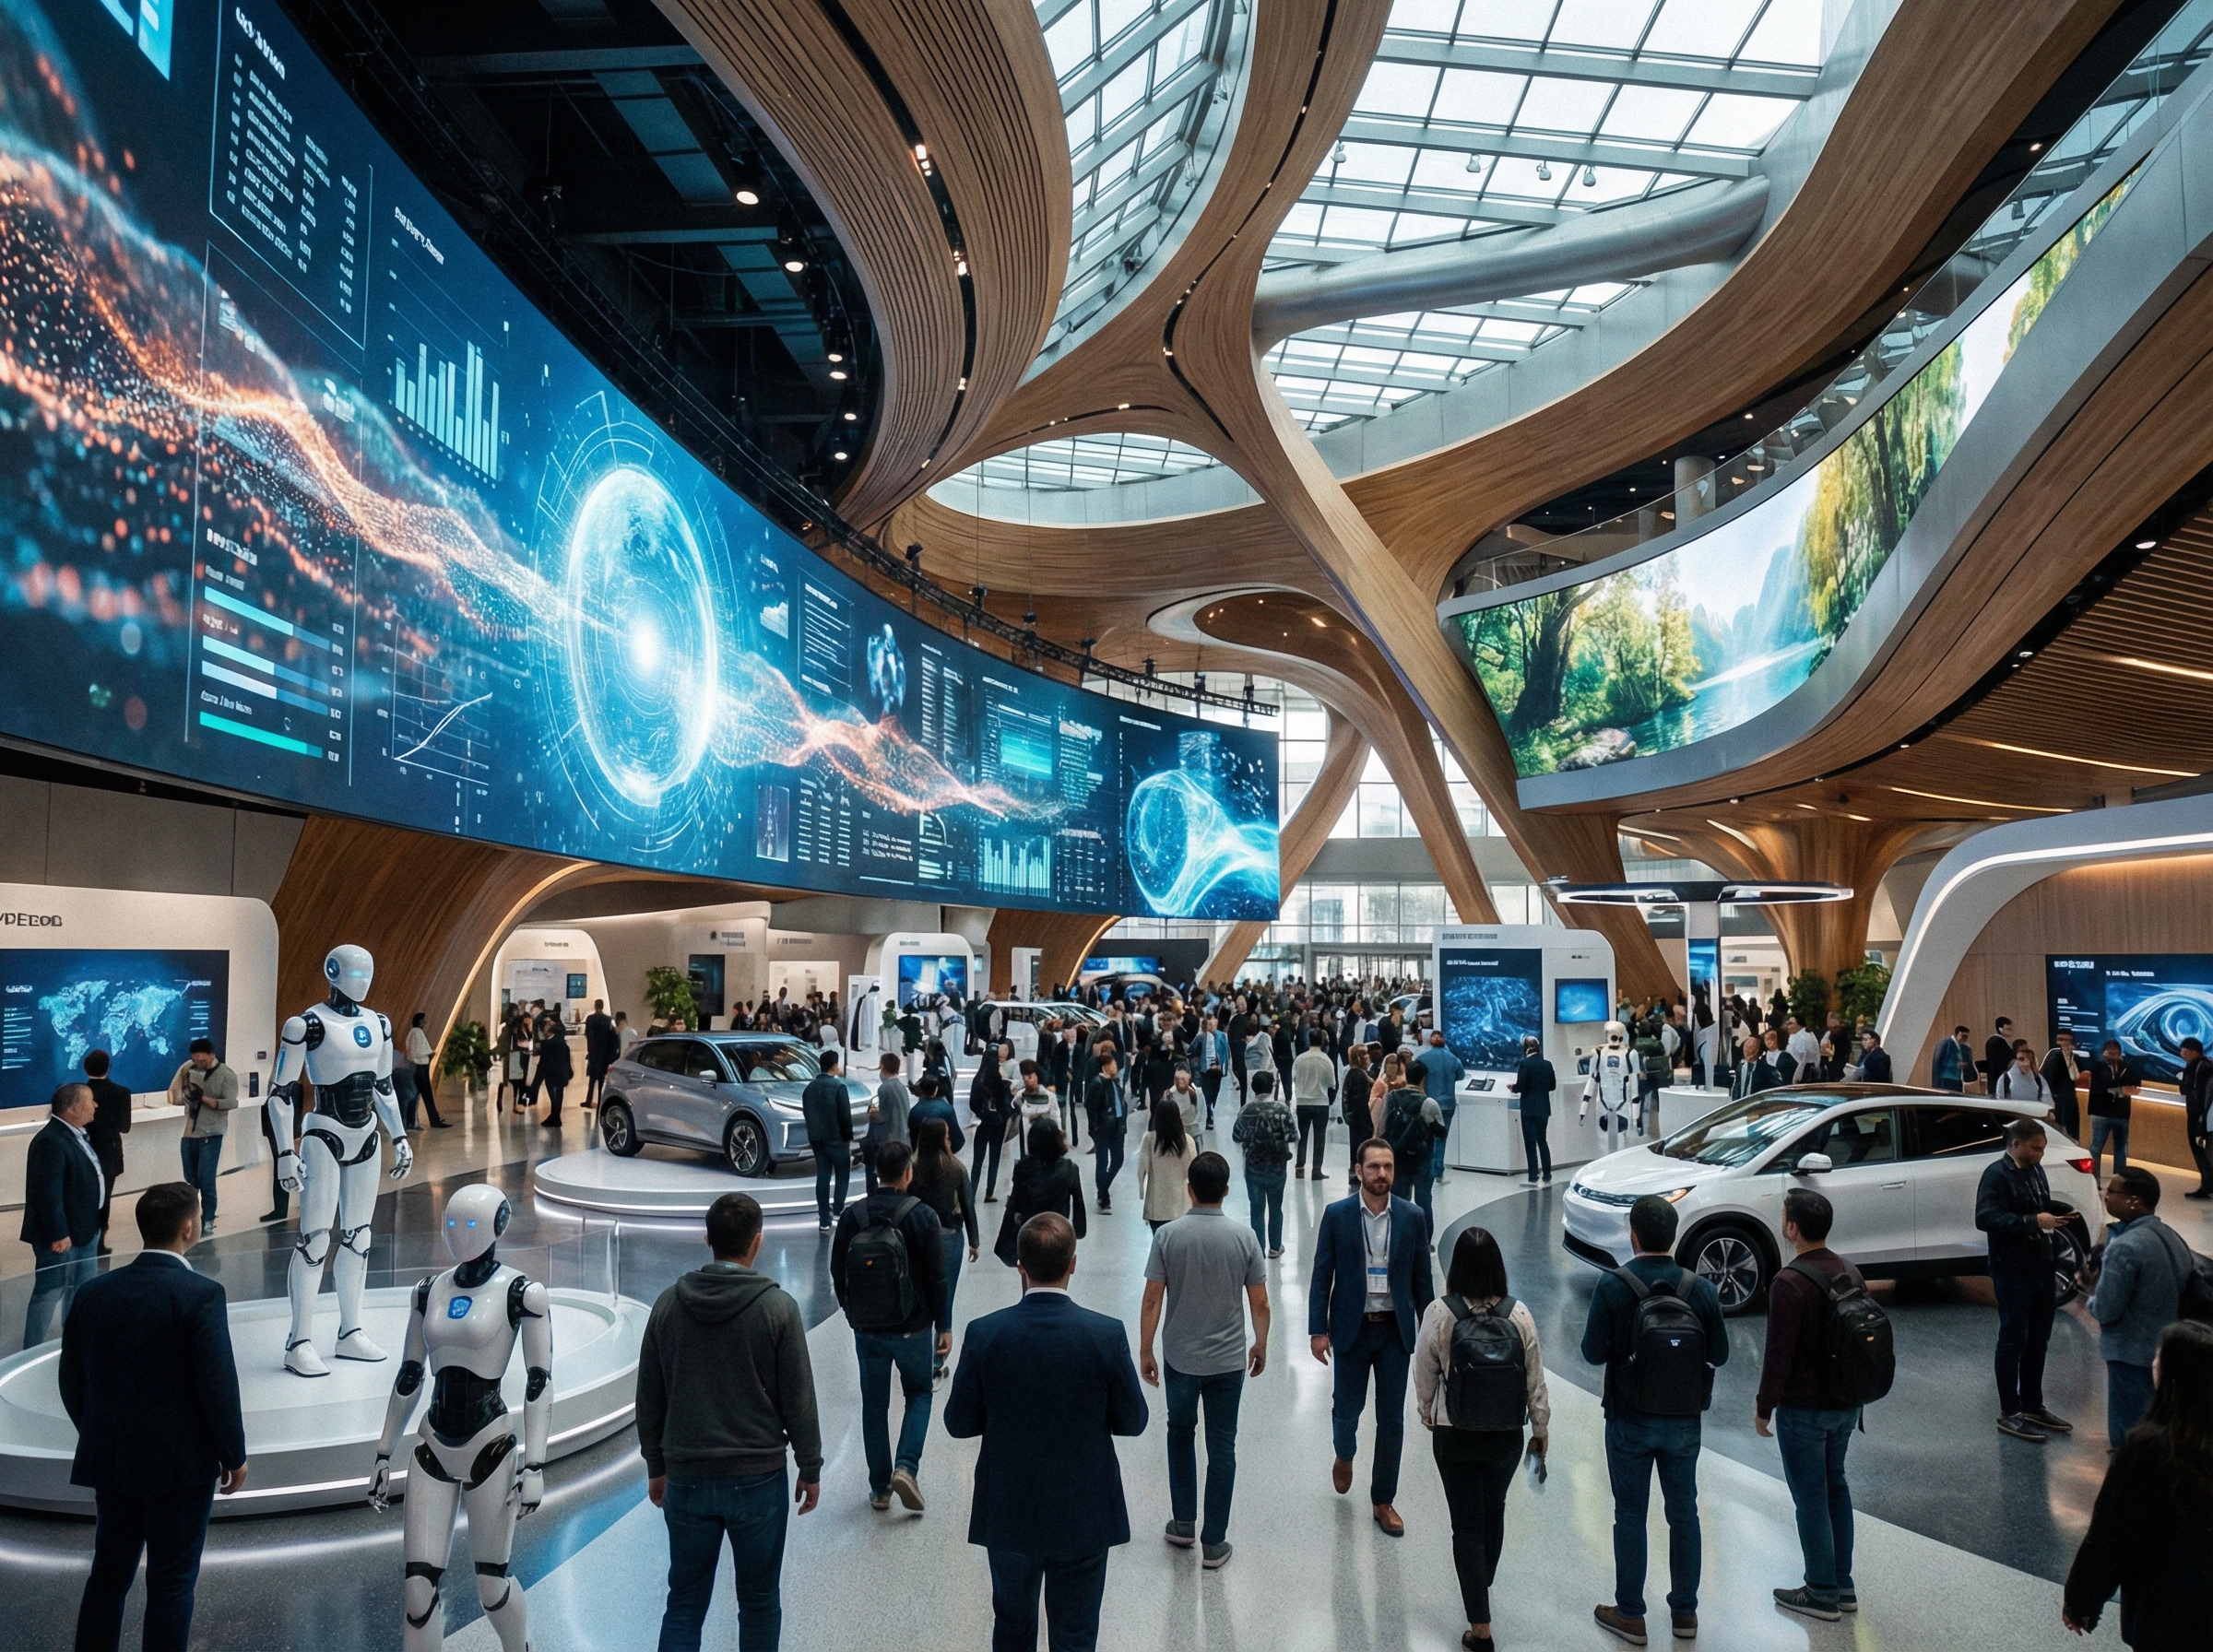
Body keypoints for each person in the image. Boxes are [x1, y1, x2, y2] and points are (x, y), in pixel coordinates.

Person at [945, 1213, 1147, 1652]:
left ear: (1020, 1265)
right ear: (1073, 1264)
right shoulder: (1105, 1334)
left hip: (1009, 1509)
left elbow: (958, 1423)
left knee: (1013, 1627)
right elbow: (1134, 1422)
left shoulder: (985, 1333)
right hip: (1084, 1511)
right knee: (1075, 1634)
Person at [61, 1183, 247, 1652]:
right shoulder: (200, 1295)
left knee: (108, 1575)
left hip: (115, 1461)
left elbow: (71, 1381)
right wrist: (233, 1453)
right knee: (171, 1583)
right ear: (189, 1228)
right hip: (180, 1470)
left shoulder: (93, 1292)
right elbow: (216, 1385)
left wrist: (102, 1431)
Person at [638, 1192, 821, 1652]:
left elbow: (649, 1398)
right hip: (757, 1478)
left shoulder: (667, 1305)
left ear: (707, 1239)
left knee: (684, 1603)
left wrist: (655, 1465)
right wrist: (810, 1466)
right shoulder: (778, 1309)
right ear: (757, 1242)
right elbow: (798, 1398)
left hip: (687, 1476)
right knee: (759, 1601)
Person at [1582, 1193, 1730, 1645]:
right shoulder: (1699, 1288)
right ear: (1673, 1235)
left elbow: (1590, 1353)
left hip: (1629, 1417)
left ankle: (1631, 1613)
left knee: (1630, 1513)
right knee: (1684, 1511)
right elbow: (1720, 1355)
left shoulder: (1613, 1285)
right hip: (1684, 1421)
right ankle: (1685, 1614)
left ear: (1633, 1235)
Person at [1414, 1225, 1549, 1646]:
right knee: (1494, 1511)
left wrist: (1427, 1412)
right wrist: (1540, 1430)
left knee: (1466, 1526)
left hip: (1455, 1432)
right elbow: (1535, 1381)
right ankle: (1481, 1586)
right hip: (1506, 1434)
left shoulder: (1440, 1311)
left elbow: (1425, 1373)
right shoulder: (1519, 1313)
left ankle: (1481, 1626)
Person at [1139, 1150, 1269, 1569]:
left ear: (1189, 1189)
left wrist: (1145, 1349)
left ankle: (1182, 1522)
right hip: (1228, 1361)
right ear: (1227, 1191)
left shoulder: (1168, 1237)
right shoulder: (1244, 1237)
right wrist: (1260, 1343)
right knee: (1222, 1446)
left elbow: (1152, 1299)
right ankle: (1214, 1542)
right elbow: (1260, 1302)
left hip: (1180, 1357)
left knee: (1179, 1432)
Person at [1309, 1138, 1435, 1539]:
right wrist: (1317, 1329)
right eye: (1374, 1166)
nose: (1382, 1174)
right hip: (1352, 1328)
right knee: (1346, 1409)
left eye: (1389, 1166)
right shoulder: (1338, 1214)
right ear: (1358, 1170)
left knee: (1391, 1419)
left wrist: (1431, 1332)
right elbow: (1321, 1275)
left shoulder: (1413, 1216)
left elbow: (1421, 1281)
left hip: (1394, 1332)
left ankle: (1383, 1499)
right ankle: (1344, 1453)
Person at [2064, 1321, 2213, 1650]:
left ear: (2176, 1376)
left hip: (2164, 1610)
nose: (2153, 1362)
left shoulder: (2148, 1449)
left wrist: (2082, 1600)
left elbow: (2113, 1534)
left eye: (2160, 1357)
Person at [1756, 1187, 1864, 1622]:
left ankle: (1820, 1591)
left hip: (1804, 1409)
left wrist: (1765, 1407)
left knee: (1810, 1497)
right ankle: (1843, 1584)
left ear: (1792, 1227)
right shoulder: (1849, 1270)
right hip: (1846, 1404)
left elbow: (1778, 1354)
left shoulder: (1789, 1282)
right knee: (1836, 1487)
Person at [831, 1141, 952, 1512]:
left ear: (876, 1173)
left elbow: (838, 1271)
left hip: (868, 1329)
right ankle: (906, 1467)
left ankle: (881, 1487)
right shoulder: (922, 1216)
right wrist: (943, 1325)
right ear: (908, 1173)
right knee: (919, 1393)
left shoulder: (854, 1216)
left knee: (874, 1404)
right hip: (913, 1328)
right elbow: (936, 1276)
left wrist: (854, 1314)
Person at [1977, 1116, 2074, 1442]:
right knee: (2013, 1339)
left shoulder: (2035, 1170)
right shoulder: (1996, 1174)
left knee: (2038, 1340)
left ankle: (2033, 1404)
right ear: (2015, 1144)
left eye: (2043, 1149)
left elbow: (2038, 1205)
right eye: (2036, 1148)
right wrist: (2034, 1221)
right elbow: (1986, 1217)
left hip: (2041, 1268)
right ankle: (2010, 1410)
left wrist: (2057, 1212)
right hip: (2012, 1271)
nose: (2041, 1154)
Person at [2084, 1166, 2189, 1449]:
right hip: (2163, 1345)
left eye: (2113, 1191)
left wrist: (2089, 1297)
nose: (2106, 1197)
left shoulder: (2125, 1247)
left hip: (2130, 1350)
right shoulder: (2170, 1236)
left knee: (2128, 1425)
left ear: (2135, 1201)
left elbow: (2106, 1309)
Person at [22, 1082, 104, 1348]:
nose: (95, 1106)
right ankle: (31, 1349)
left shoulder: (74, 1134)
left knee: (80, 1291)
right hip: (62, 1237)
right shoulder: (51, 1141)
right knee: (50, 1291)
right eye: (90, 1101)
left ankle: (73, 1342)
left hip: (85, 1230)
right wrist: (59, 1233)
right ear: (71, 1107)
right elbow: (47, 1193)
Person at [911, 1118, 978, 1380]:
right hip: (950, 1238)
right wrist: (974, 1240)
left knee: (920, 1294)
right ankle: (937, 1361)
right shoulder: (956, 1168)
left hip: (917, 1239)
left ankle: (916, 1355)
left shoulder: (912, 1168)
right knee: (944, 1296)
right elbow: (968, 1206)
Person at [166, 1041, 237, 1233]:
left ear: (212, 1055)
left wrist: (204, 1098)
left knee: (206, 1179)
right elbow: (174, 1094)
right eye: (195, 1058)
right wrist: (187, 1096)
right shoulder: (187, 1068)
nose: (198, 1062)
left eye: (202, 1059)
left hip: (212, 1132)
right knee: (191, 1179)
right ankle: (191, 1217)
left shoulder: (226, 1074)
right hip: (190, 1131)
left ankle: (208, 1218)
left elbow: (231, 1102)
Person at [999, 1119, 1086, 1268]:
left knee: (1028, 1277)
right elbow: (1078, 1203)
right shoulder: (1070, 1169)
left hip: (1029, 1233)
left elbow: (1015, 1203)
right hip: (1057, 1234)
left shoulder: (1022, 1168)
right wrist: (1078, 1231)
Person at [1230, 1070, 1295, 1257]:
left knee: (1256, 1210)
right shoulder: (1282, 1109)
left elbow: (1236, 1136)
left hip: (1253, 1169)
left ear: (1253, 1087)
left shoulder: (1246, 1110)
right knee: (1276, 1208)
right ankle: (1275, 1247)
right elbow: (1293, 1135)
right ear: (1272, 1087)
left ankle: (1258, 1250)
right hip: (1277, 1169)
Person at [1378, 1058, 1446, 1228]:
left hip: (1397, 1158)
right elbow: (1441, 1132)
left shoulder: (1390, 1098)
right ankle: (1425, 1242)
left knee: (1399, 1202)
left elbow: (1382, 1127)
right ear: (1423, 1078)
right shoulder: (1428, 1103)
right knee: (1423, 1202)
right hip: (1422, 1159)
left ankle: (1398, 1236)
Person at [81, 1050, 131, 1257]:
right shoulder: (121, 1092)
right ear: (108, 1067)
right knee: (104, 1197)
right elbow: (125, 1127)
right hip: (108, 1152)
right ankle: (100, 1243)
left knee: (82, 1196)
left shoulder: (77, 1092)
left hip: (82, 1150)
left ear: (85, 1068)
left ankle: (83, 1240)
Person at [802, 1050, 855, 1233]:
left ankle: (824, 1219)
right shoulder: (839, 1088)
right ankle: (838, 1212)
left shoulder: (809, 1088)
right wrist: (848, 1136)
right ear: (834, 1065)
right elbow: (845, 1116)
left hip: (817, 1139)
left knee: (823, 1175)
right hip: (837, 1139)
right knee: (842, 1174)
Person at [1138, 1097, 1197, 1230]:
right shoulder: (1188, 1141)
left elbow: (1142, 1167)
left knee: (1160, 1244)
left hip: (1157, 1205)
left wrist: (1141, 1190)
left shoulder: (1150, 1139)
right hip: (1183, 1204)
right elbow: (1194, 1172)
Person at [1415, 1030, 1465, 1185]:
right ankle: (1438, 1173)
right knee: (1441, 1139)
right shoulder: (1453, 1059)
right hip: (1448, 1104)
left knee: (1426, 1137)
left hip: (1428, 1102)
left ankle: (1426, 1170)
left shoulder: (1422, 1059)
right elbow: (1461, 1076)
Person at [2088, 1039, 2140, 1178]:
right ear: (2102, 1053)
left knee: (2121, 1148)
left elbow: (2136, 1082)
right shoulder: (2098, 1067)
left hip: (2121, 1114)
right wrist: (2121, 1089)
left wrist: (2122, 1087)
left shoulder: (2125, 1067)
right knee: (2096, 1146)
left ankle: (2119, 1179)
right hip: (2100, 1113)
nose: (2113, 1056)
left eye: (2116, 1053)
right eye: (2109, 1053)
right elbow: (2100, 1088)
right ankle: (2093, 1179)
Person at [863, 1053, 913, 1196]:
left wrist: (873, 1113)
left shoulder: (884, 1088)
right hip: (903, 1137)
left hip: (887, 1139)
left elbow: (883, 1116)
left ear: (883, 1066)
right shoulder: (901, 1087)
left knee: (875, 1172)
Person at [1084, 1048, 1127, 1214]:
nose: (1115, 1066)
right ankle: (1103, 1196)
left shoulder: (1116, 1082)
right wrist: (1095, 1125)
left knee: (1118, 1159)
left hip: (1118, 1126)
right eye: (1113, 1063)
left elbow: (1121, 1103)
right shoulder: (1097, 1083)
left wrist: (1123, 1122)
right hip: (1103, 1128)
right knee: (1102, 1160)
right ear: (1106, 1066)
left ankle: (1103, 1188)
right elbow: (1090, 1106)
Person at [1508, 1035, 1555, 1184]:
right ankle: (1547, 1174)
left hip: (1528, 1109)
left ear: (1525, 1048)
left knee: (1530, 1143)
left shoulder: (1525, 1064)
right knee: (1542, 1141)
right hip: (1543, 1108)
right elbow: (1552, 1086)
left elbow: (1521, 1086)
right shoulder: (1547, 1064)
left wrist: (1513, 1088)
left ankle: (1533, 1175)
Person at [2172, 1037, 2212, 1198]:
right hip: (2202, 1115)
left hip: (2200, 1116)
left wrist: (2201, 1117)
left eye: (2183, 1049)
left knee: (2201, 1150)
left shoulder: (2201, 1067)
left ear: (2193, 1051)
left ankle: (2207, 1184)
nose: (2181, 1053)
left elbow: (2195, 1092)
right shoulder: (2200, 1066)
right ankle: (2207, 1183)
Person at [1292, 1034, 1336, 1180]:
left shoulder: (1300, 1058)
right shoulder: (1326, 1060)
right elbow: (1332, 1083)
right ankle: (1316, 1170)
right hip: (1321, 1103)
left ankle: (1299, 1166)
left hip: (1303, 1102)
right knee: (1319, 1137)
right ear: (1323, 1042)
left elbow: (1294, 1078)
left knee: (1302, 1135)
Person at [404, 1011, 448, 1127]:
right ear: (419, 1022)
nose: (425, 1023)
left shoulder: (412, 1033)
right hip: (421, 1069)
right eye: (423, 1021)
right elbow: (418, 1052)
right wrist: (430, 1054)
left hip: (416, 1068)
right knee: (427, 1096)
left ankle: (412, 1122)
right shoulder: (417, 1033)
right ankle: (434, 1120)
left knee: (415, 1095)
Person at [2046, 1028, 2088, 1143]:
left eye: (2066, 1041)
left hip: (2074, 1103)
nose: (2063, 1043)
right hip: (2058, 1103)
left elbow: (2082, 1076)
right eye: (2060, 1040)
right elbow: (2050, 1079)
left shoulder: (2076, 1059)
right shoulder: (2053, 1058)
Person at [535, 1014, 573, 1127]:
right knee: (559, 1094)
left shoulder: (547, 1044)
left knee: (553, 1096)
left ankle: (555, 1117)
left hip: (552, 1074)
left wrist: (537, 1081)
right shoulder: (560, 1041)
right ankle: (555, 1116)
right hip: (561, 1073)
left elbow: (544, 1063)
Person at [1994, 1044, 2053, 1110]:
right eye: (2021, 1059)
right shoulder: (2004, 1079)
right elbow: (1999, 1103)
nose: (2026, 1063)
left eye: (2029, 1059)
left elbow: (2047, 1101)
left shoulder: (2039, 1079)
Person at [584, 999, 618, 1111]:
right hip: (605, 1053)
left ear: (595, 1006)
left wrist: (590, 1051)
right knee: (602, 1078)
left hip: (594, 1052)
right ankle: (600, 1100)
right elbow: (613, 1036)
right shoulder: (608, 1019)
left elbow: (588, 1035)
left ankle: (589, 1100)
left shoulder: (590, 1019)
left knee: (592, 1078)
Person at [1194, 1014, 1228, 1128]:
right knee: (1207, 1093)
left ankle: (1211, 1110)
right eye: (1210, 1024)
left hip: (1217, 1071)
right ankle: (1210, 1116)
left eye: (1214, 1023)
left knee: (1215, 1092)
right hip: (1205, 1070)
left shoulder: (1222, 1036)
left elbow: (1226, 1053)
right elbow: (1192, 1051)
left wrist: (1224, 1068)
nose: (1212, 1025)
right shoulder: (1201, 1037)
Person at [1932, 1024, 1978, 1092]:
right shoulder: (1946, 1043)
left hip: (1958, 1078)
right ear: (1957, 1034)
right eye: (1963, 1036)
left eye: (1966, 1037)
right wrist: (1956, 1064)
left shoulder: (1963, 1047)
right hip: (1946, 1078)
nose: (1965, 1039)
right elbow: (1940, 1060)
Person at [1984, 1018, 2018, 1090]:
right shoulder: (1997, 1042)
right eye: (2008, 1029)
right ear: (2000, 1028)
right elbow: (2003, 1061)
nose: (2011, 1030)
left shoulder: (2000, 1041)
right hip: (1999, 1076)